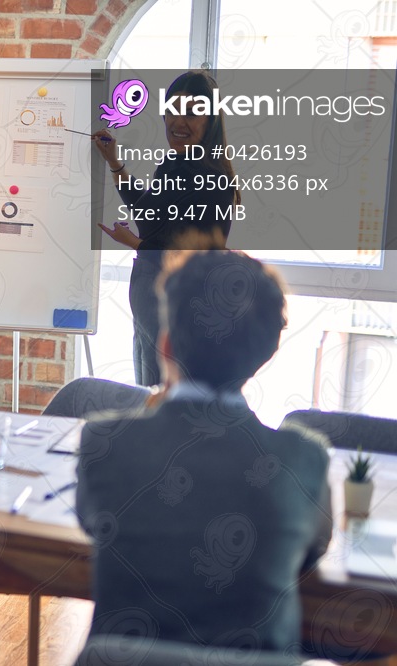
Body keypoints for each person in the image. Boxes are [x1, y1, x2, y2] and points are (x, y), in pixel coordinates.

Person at [75, 249, 332, 651]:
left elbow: (96, 526)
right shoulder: (303, 460)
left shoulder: (104, 442)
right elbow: (309, 555)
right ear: (266, 355)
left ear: (165, 343)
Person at [92, 70, 240, 386]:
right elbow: (150, 214)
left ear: (210, 120)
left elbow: (191, 256)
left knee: (163, 396)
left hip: (175, 303)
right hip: (151, 296)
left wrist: (134, 242)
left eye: (191, 113)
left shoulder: (213, 178)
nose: (178, 122)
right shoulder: (175, 164)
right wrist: (115, 163)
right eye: (172, 111)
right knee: (148, 391)